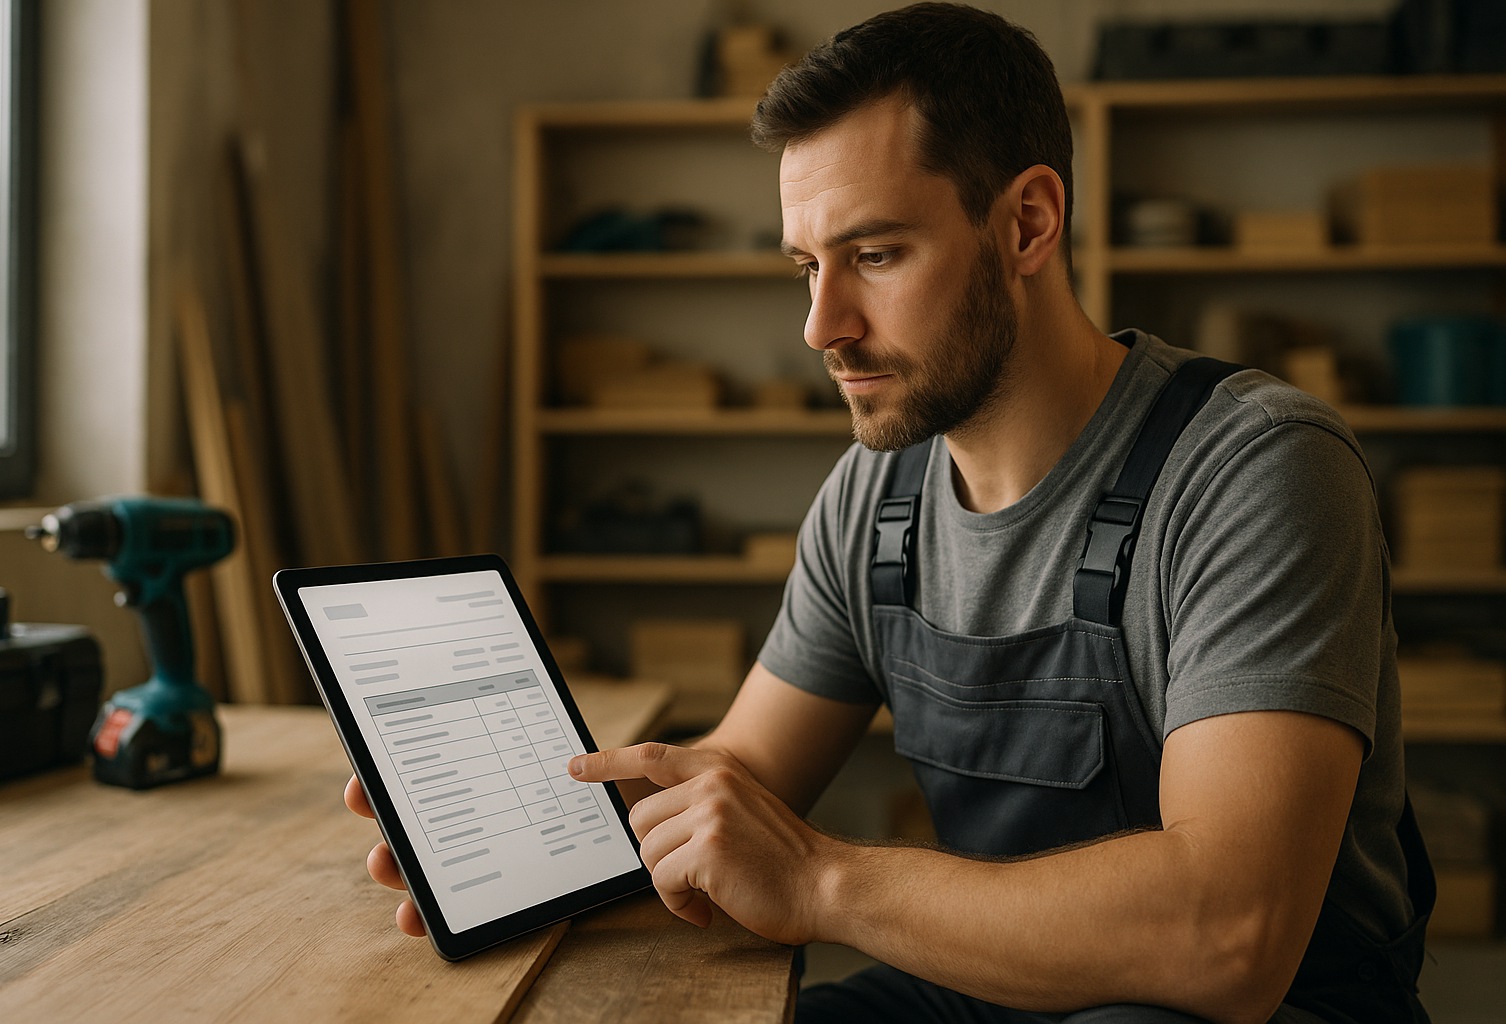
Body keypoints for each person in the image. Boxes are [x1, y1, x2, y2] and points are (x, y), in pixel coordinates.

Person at [345, 5, 1433, 1022]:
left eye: (873, 255)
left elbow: (1229, 933)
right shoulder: (877, 499)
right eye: (807, 266)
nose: (823, 324)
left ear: (1029, 223)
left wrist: (822, 878)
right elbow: (740, 783)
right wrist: (526, 840)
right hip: (991, 988)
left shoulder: (1252, 469)